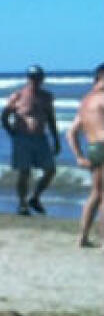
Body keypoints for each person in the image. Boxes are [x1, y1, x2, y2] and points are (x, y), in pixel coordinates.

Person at [1, 65, 59, 215]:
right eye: (32, 77)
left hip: (41, 138)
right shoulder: (18, 96)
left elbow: (51, 119)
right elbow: (4, 115)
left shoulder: (46, 96)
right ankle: (22, 204)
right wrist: (10, 131)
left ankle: (35, 197)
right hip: (22, 138)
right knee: (24, 172)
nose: (35, 80)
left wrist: (56, 139)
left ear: (42, 78)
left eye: (38, 77)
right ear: (28, 78)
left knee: (50, 170)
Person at [65, 63, 104, 248]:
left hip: (93, 148)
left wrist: (79, 156)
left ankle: (83, 236)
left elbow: (71, 132)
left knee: (96, 193)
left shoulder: (86, 101)